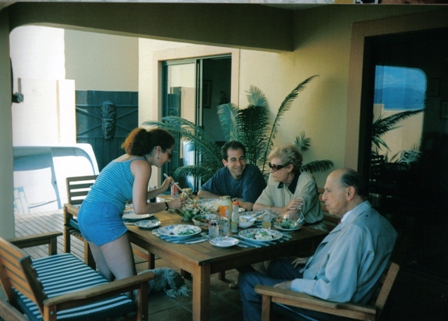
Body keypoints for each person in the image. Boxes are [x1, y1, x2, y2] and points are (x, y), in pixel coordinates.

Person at [239, 168, 398, 321]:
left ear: (349, 193)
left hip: (334, 309)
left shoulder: (356, 232)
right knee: (276, 266)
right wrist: (314, 260)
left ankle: (273, 303)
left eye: (329, 191)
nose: (323, 197)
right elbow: (350, 259)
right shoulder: (373, 219)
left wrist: (293, 285)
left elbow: (334, 290)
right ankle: (273, 308)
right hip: (336, 287)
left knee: (248, 280)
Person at [77, 127, 184, 287]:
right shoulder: (143, 166)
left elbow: (133, 197)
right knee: (130, 283)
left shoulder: (128, 158)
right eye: (170, 153)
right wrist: (169, 205)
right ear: (158, 150)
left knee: (106, 275)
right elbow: (139, 208)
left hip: (86, 213)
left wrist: (161, 189)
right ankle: (130, 310)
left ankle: (105, 309)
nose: (169, 159)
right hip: (103, 218)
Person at [253, 145, 327, 232]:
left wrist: (271, 213)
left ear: (289, 168)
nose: (271, 171)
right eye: (270, 165)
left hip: (311, 231)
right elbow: (256, 207)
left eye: (275, 167)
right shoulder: (274, 179)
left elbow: (292, 216)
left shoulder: (306, 182)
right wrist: (283, 210)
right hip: (284, 229)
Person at [197, 141, 266, 211]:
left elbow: (248, 206)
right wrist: (227, 200)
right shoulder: (221, 173)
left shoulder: (252, 172)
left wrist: (229, 201)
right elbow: (202, 193)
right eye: (233, 160)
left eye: (241, 158)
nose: (239, 164)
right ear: (225, 162)